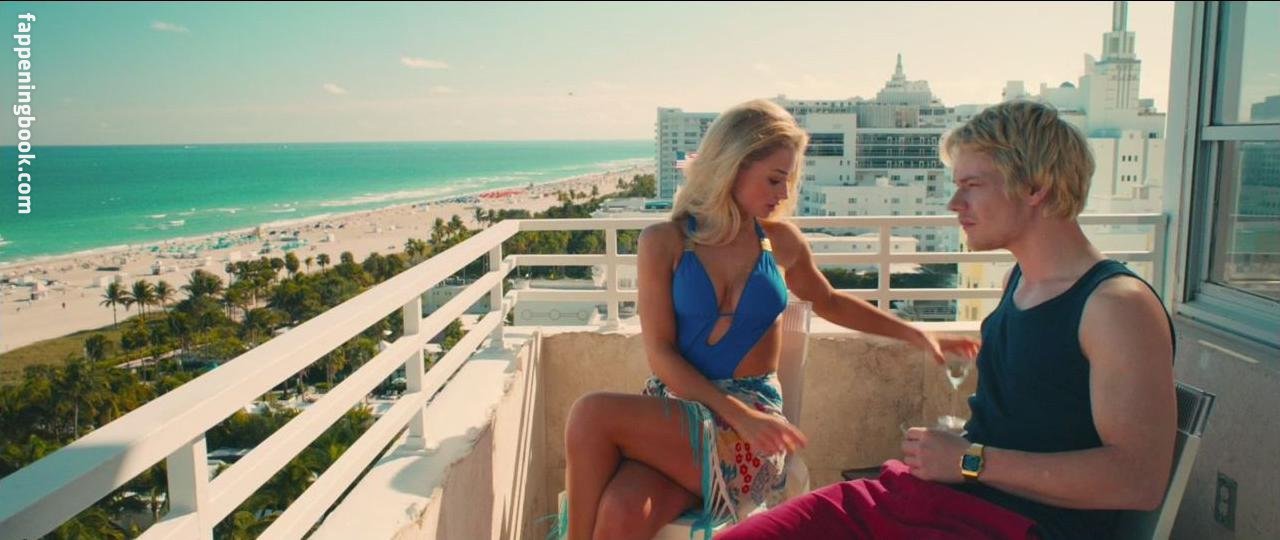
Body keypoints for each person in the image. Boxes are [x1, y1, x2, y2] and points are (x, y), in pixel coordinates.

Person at [717, 101, 1177, 540]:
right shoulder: (1019, 282)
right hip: (937, 502)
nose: (955, 203)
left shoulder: (1116, 306)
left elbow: (1138, 480)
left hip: (1011, 525)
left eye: (972, 184)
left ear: (1036, 187)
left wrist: (971, 461)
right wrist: (961, 459)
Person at [557, 99, 978, 540]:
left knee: (591, 414)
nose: (784, 193)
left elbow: (830, 301)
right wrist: (732, 413)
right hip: (679, 421)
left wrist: (918, 334)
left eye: (789, 180)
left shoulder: (780, 242)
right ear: (732, 166)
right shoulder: (664, 241)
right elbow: (661, 354)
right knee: (621, 511)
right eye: (775, 179)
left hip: (753, 433)